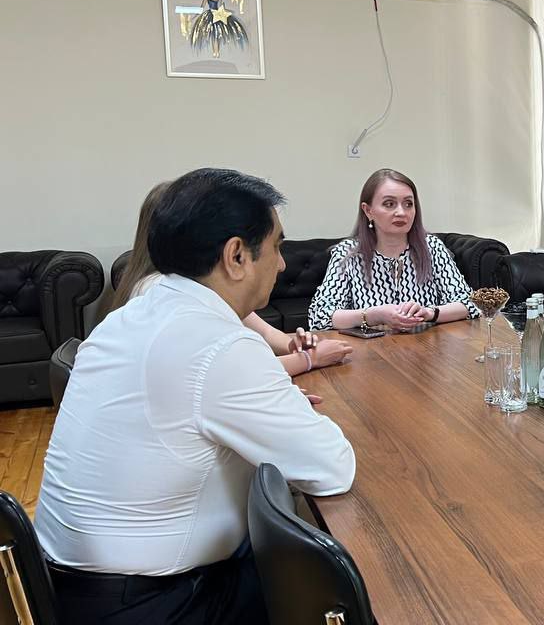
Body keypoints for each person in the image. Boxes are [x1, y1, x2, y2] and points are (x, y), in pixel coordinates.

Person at [36, 168, 356, 624]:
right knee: (336, 586)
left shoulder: (135, 313)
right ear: (236, 256)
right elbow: (331, 468)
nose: (283, 264)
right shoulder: (219, 343)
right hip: (150, 604)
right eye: (278, 246)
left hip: (66, 586)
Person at [109, 181, 352, 380]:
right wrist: (308, 359)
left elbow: (265, 334)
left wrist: (294, 347)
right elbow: (235, 375)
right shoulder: (160, 292)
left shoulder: (201, 288)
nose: (280, 265)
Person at [308, 168, 480, 331]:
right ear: (368, 211)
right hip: (371, 349)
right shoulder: (348, 253)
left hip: (426, 345)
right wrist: (373, 315)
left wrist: (429, 313)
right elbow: (319, 316)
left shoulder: (432, 247)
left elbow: (470, 303)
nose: (401, 212)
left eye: (408, 204)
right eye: (389, 204)